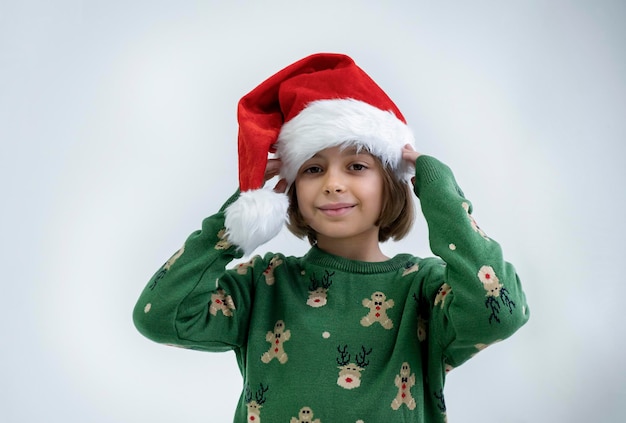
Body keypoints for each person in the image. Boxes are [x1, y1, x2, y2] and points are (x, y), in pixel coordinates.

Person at [133, 53, 529, 422]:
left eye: (356, 165)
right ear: (288, 188)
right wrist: (236, 218)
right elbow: (161, 317)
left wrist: (439, 192)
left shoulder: (424, 290)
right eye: (312, 169)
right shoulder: (263, 285)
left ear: (392, 181)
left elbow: (499, 313)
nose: (333, 184)